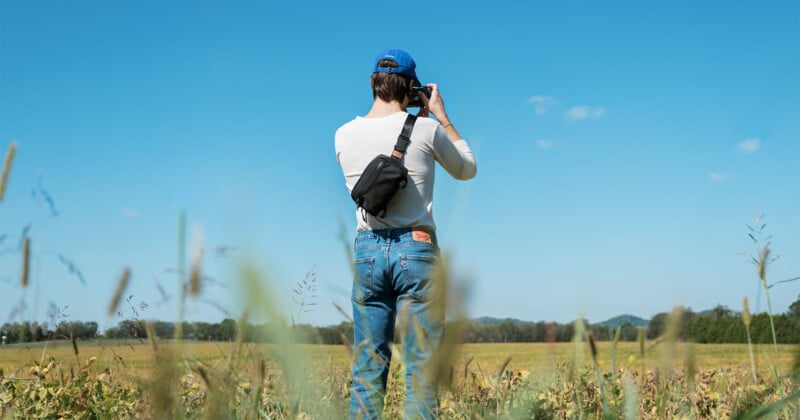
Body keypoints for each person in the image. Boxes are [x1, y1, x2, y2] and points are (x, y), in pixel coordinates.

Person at [335, 49, 477, 419]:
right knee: (423, 370)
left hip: (367, 250)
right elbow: (467, 169)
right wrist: (441, 118)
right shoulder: (427, 129)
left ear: (372, 83)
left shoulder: (343, 134)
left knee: (367, 369)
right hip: (417, 250)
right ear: (413, 87)